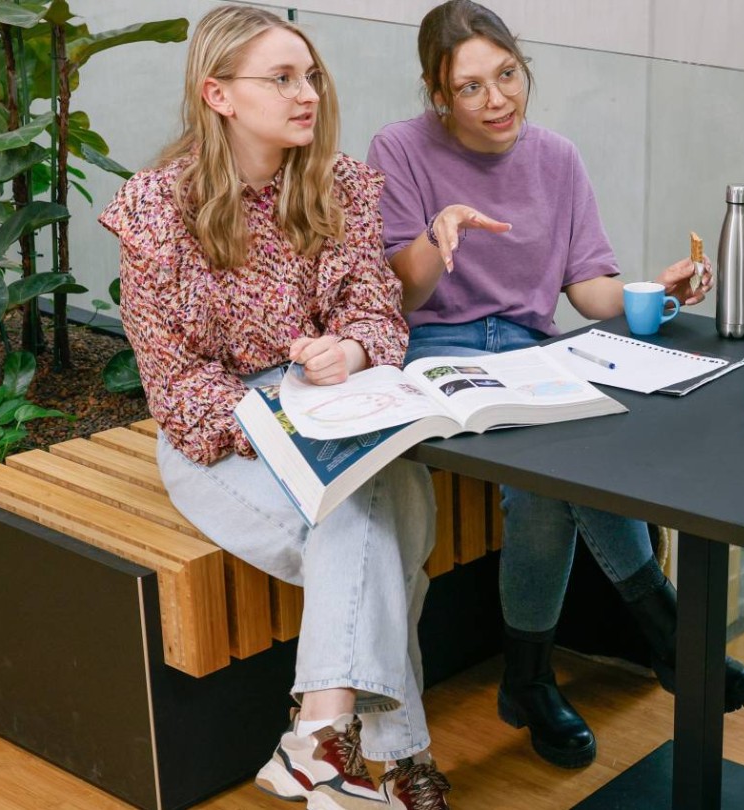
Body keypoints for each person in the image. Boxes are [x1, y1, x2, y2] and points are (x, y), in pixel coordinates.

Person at [366, 0, 744, 770]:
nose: (497, 100)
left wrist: (665, 291)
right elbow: (394, 295)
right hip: (432, 354)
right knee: (546, 473)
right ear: (438, 95)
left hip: (530, 350)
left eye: (507, 74)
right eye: (470, 88)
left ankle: (530, 678)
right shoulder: (399, 150)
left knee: (564, 466)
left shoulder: (557, 157)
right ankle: (666, 632)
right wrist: (434, 238)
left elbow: (590, 292)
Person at [101, 6, 452, 808]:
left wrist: (352, 351)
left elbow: (376, 310)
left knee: (369, 510)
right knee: (378, 536)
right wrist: (287, 428)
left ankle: (320, 749)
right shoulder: (156, 210)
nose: (308, 95)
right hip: (223, 439)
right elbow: (178, 390)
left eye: (312, 76)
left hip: (331, 408)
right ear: (217, 93)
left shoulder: (341, 184)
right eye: (282, 78)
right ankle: (396, 761)